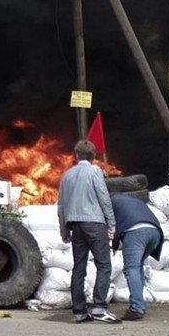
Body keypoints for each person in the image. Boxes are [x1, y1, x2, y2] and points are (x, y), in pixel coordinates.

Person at [57, 139, 119, 324]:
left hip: (75, 226)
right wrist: (111, 224)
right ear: (94, 156)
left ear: (76, 155)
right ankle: (99, 308)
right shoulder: (95, 171)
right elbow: (104, 198)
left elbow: (61, 205)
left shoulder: (66, 175)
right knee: (104, 265)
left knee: (79, 268)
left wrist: (64, 230)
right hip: (95, 223)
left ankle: (79, 311)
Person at [110, 190, 163, 321]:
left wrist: (114, 244)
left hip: (136, 232)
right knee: (137, 266)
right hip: (155, 232)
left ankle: (136, 308)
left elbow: (111, 225)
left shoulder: (111, 202)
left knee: (131, 268)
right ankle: (140, 305)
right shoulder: (134, 201)